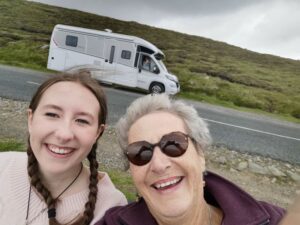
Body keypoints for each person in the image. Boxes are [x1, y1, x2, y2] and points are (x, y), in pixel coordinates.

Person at [96, 94, 285, 225]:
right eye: (140, 153)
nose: (159, 165)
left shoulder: (276, 220)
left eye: (173, 143)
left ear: (200, 155)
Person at [0, 72, 127, 225]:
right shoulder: (3, 166)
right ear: (31, 119)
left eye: (82, 120)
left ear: (98, 133)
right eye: (52, 114)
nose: (64, 134)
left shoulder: (111, 207)